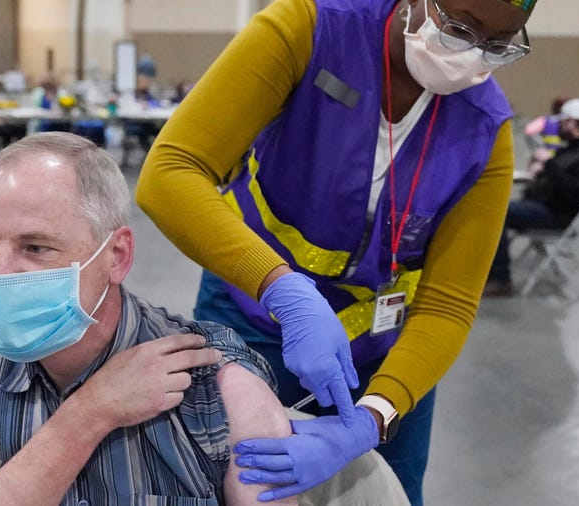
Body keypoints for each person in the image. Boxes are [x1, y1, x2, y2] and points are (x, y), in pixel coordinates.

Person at [136, 0, 539, 503]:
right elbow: (171, 172)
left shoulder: (486, 127)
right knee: (244, 481)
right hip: (256, 314)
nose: (470, 55)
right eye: (460, 28)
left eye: (498, 45)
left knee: (388, 491)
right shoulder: (309, 29)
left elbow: (448, 303)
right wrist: (280, 287)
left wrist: (375, 417)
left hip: (388, 346)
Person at [0, 132, 301, 505]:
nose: (1, 273)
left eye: (36, 247)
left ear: (117, 255)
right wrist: (89, 413)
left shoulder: (216, 383)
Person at [484, 98, 579, 296]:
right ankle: (493, 271)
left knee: (497, 213)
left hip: (556, 215)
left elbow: (574, 193)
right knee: (496, 208)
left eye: (562, 122)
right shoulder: (570, 149)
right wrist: (540, 170)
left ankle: (500, 278)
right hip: (541, 206)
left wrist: (549, 164)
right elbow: (556, 176)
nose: (558, 127)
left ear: (571, 123)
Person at [523, 95, 570, 173]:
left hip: (545, 158)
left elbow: (529, 131)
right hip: (563, 159)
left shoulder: (545, 121)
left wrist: (538, 146)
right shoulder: (571, 123)